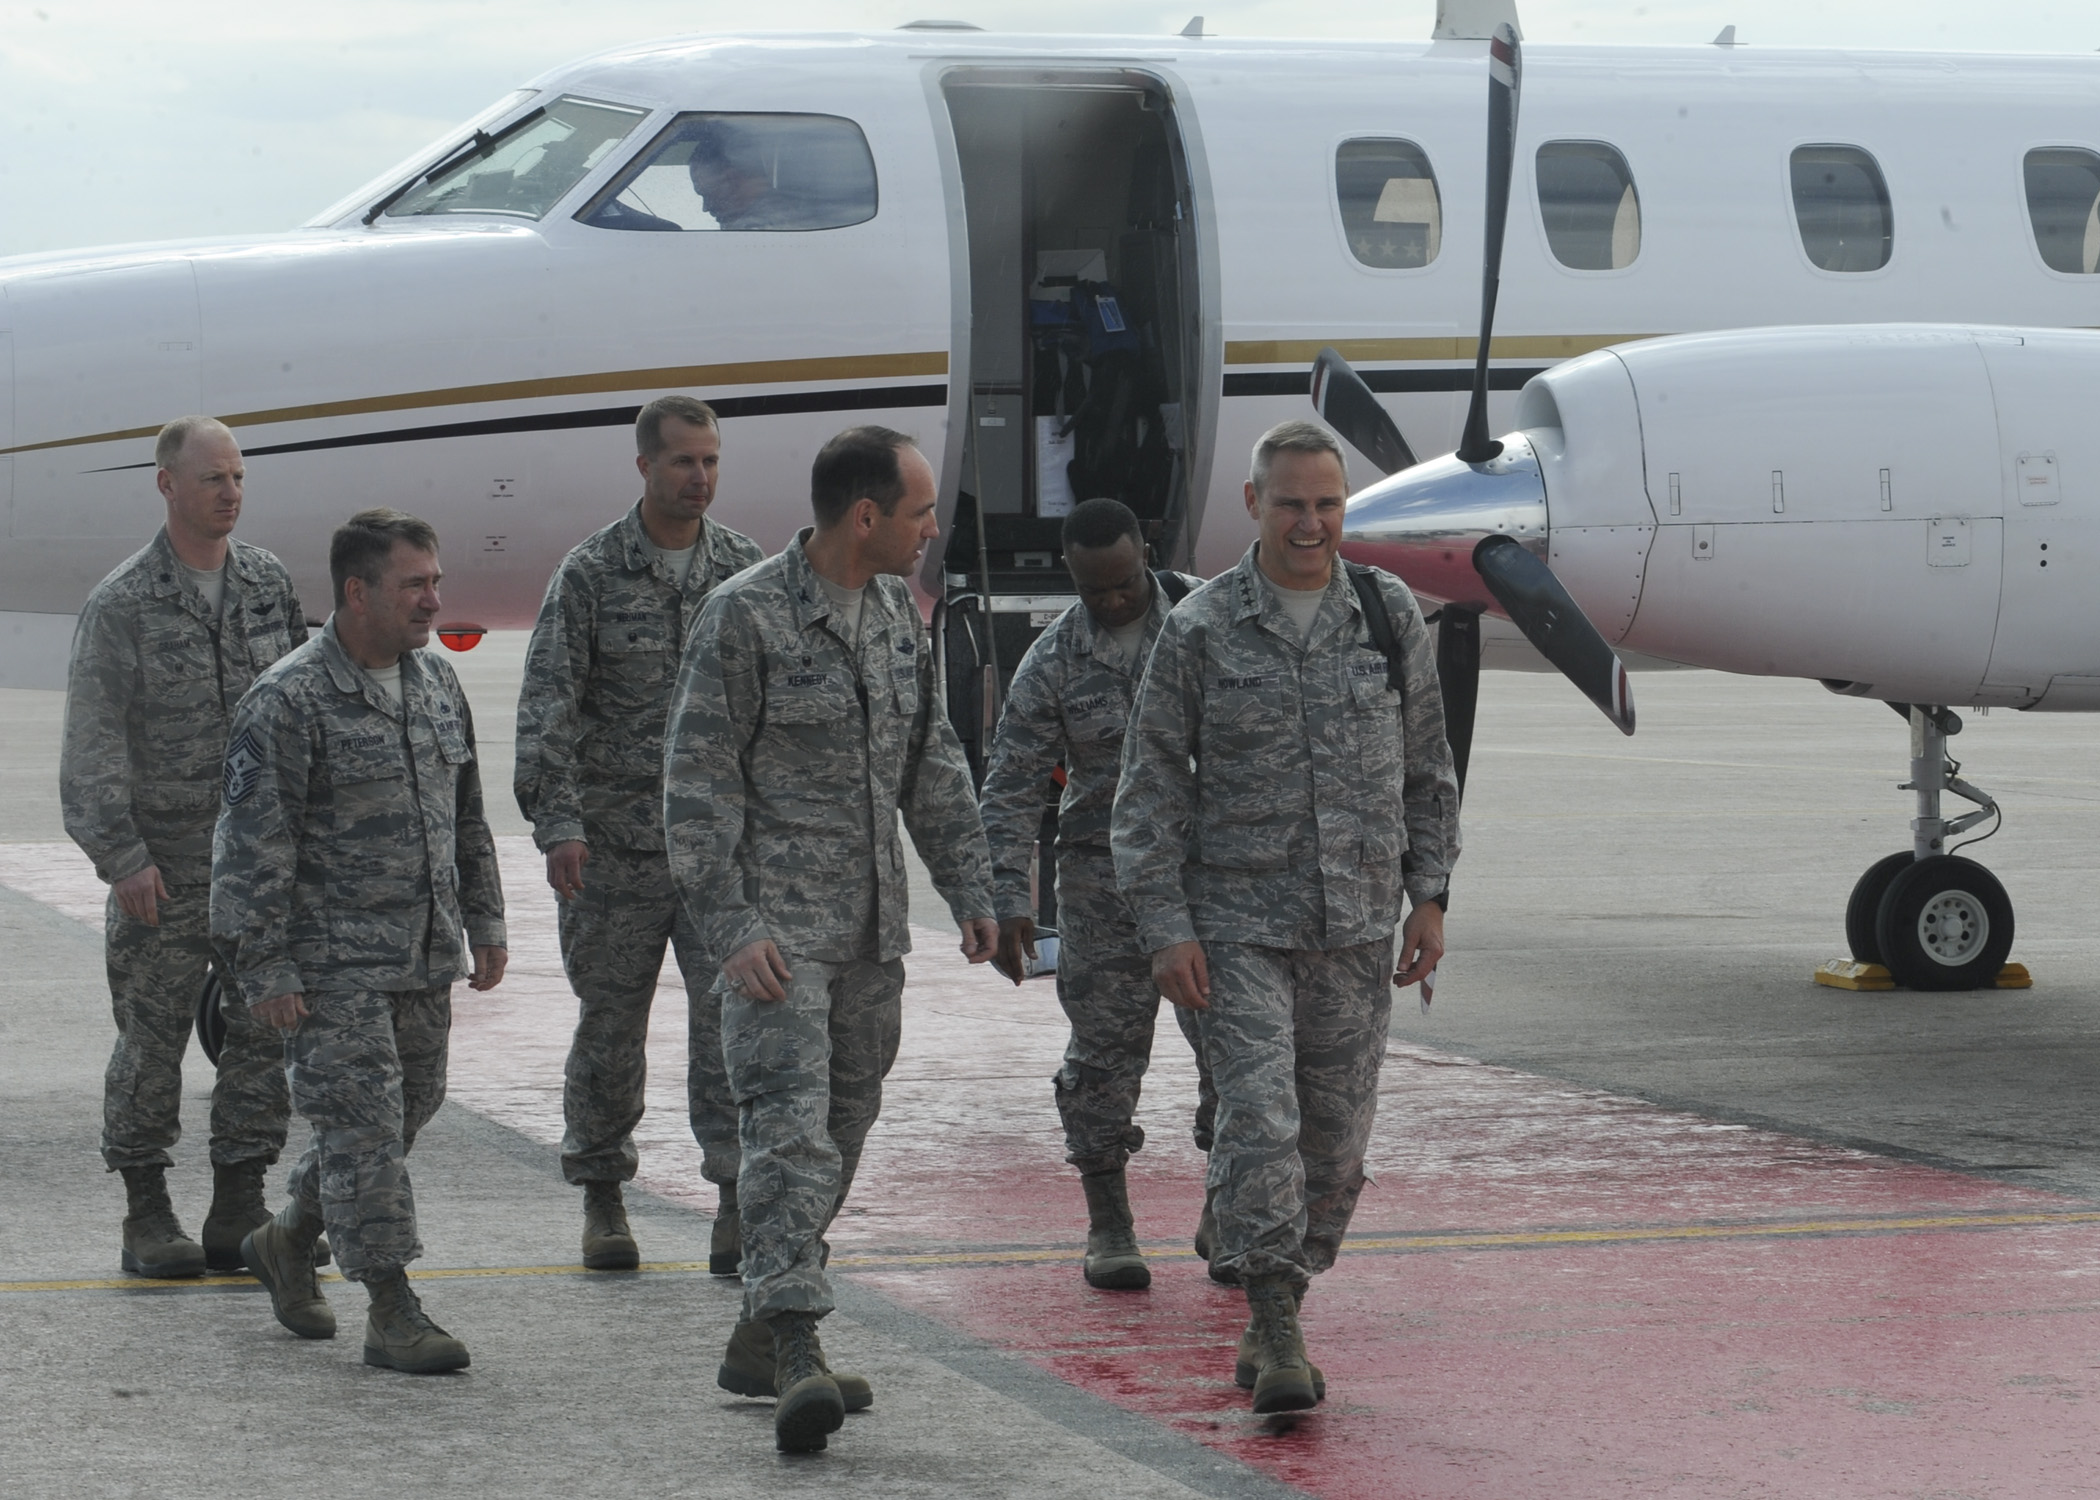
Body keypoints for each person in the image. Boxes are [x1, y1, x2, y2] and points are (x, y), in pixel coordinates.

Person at [1111, 420, 1460, 1414]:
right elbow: (1147, 796)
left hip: (1354, 925)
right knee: (1261, 1121)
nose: (1312, 523)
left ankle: (1267, 1247)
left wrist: (1428, 896)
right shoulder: (1203, 628)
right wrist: (1166, 928)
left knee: (1335, 1150)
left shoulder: (1389, 615)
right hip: (1239, 926)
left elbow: (1429, 769)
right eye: (1293, 503)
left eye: (1329, 503)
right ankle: (1274, 1321)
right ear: (1253, 504)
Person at [665, 425, 997, 1453]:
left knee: (842, 1131)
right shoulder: (747, 617)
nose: (932, 529)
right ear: (866, 517)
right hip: (776, 940)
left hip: (869, 937)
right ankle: (800, 1346)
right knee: (788, 1136)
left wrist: (973, 885)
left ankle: (761, 1328)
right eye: (920, 511)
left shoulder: (899, 612)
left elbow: (929, 760)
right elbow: (695, 788)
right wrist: (729, 925)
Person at [212, 509, 507, 1374]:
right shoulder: (290, 698)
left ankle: (290, 1235)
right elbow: (250, 844)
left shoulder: (436, 685)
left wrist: (484, 921)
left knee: (403, 1112)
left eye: (434, 582)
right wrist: (264, 964)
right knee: (367, 1130)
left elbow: (467, 817)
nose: (431, 599)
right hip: (330, 965)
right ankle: (391, 1304)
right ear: (356, 590)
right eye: (413, 584)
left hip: (421, 955)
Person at [515, 396, 764, 1274]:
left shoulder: (741, 572)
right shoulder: (591, 574)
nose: (698, 478)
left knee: (729, 1026)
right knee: (611, 1026)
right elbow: (548, 703)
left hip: (713, 858)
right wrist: (559, 825)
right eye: (682, 462)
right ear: (645, 468)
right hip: (613, 852)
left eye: (710, 462)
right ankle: (603, 1195)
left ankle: (737, 1199)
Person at [60, 416, 309, 1278]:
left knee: (259, 1038)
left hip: (258, 869)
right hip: (161, 870)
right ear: (167, 484)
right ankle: (146, 1210)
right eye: (213, 479)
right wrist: (122, 857)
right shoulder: (122, 603)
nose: (231, 493)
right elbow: (90, 747)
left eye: (238, 478)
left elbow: (300, 710)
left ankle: (238, 1202)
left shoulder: (270, 585)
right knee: (151, 1041)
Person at [978, 497, 1215, 1291]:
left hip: (1208, 873)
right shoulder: (1053, 660)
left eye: (1123, 584)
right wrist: (1011, 900)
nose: (1113, 601)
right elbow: (1011, 786)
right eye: (1095, 590)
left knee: (1239, 1047)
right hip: (1102, 876)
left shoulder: (1206, 620)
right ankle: (1109, 1221)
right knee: (1105, 1058)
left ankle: (1234, 1201)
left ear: (1145, 552)